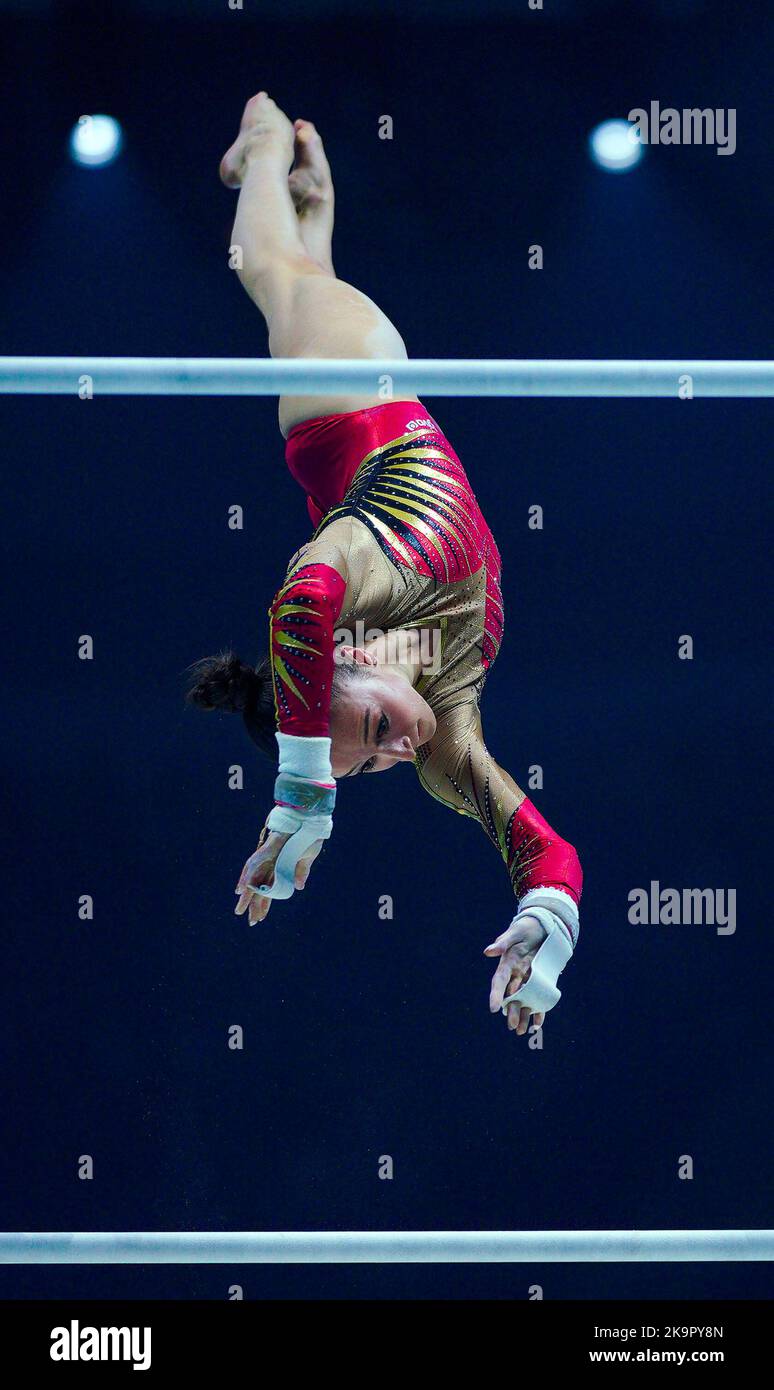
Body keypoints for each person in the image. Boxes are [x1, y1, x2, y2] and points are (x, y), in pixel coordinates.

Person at [188, 92, 582, 1036]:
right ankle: (314, 213)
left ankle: (265, 135)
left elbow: (302, 606)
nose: (404, 751)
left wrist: (307, 796)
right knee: (302, 270)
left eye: (372, 726)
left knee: (273, 278)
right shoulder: (441, 738)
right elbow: (545, 851)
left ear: (357, 657)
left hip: (348, 394)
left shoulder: (364, 581)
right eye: (377, 765)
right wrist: (546, 930)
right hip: (356, 453)